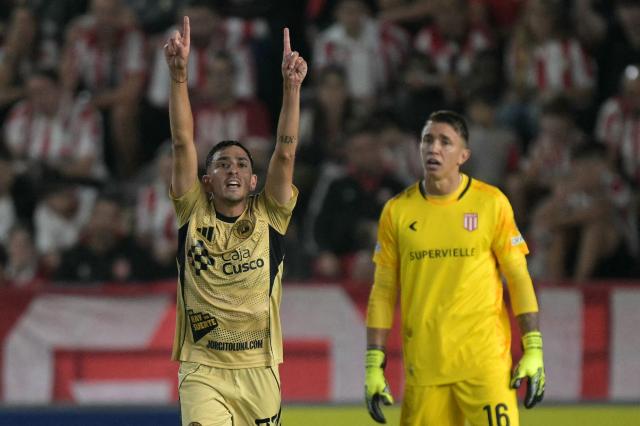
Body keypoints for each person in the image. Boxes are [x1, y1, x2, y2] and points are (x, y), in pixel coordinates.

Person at [164, 16, 307, 426]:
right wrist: (178, 76)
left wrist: (291, 89)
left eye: (242, 164)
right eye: (222, 163)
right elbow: (181, 142)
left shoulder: (270, 214)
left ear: (253, 179)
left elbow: (285, 153)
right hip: (201, 370)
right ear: (206, 180)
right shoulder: (191, 210)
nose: (232, 169)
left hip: (260, 369)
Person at [364, 111, 545, 425]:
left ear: (463, 155)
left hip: (484, 365)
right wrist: (373, 364)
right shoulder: (397, 211)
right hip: (424, 370)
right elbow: (382, 292)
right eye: (427, 140)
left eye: (445, 142)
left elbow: (517, 277)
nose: (434, 148)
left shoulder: (491, 203)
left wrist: (533, 348)